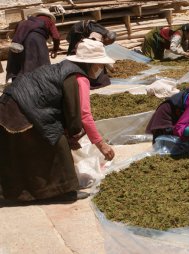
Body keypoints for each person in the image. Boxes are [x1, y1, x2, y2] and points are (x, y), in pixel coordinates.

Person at [0, 39, 115, 202]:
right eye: (99, 65)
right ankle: (65, 191)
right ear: (91, 63)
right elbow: (83, 115)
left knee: (29, 149)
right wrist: (100, 144)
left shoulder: (65, 67)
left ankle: (23, 192)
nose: (101, 69)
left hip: (10, 102)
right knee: (58, 144)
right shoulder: (79, 78)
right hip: (21, 108)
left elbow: (63, 107)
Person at [6, 8, 61, 82]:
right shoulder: (48, 21)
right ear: (49, 16)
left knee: (22, 63)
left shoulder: (26, 22)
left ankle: (18, 84)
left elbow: (15, 34)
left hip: (19, 42)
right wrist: (55, 50)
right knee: (41, 64)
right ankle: (40, 83)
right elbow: (56, 37)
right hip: (36, 40)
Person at [66, 20, 117, 89]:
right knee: (75, 51)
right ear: (106, 38)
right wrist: (109, 66)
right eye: (108, 42)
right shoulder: (96, 35)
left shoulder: (105, 34)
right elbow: (90, 47)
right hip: (77, 31)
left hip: (85, 33)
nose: (107, 44)